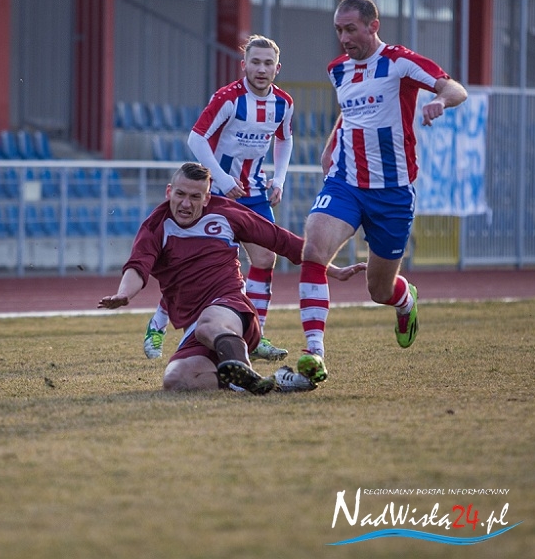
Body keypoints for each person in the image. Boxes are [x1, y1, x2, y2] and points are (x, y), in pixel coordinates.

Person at [298, 0, 468, 367]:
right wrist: (330, 147)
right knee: (314, 250)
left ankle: (405, 300)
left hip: (392, 192)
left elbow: (455, 88)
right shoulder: (337, 70)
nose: (344, 38)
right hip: (345, 183)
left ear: (373, 26)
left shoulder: (399, 62)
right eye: (339, 30)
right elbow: (350, 112)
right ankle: (314, 351)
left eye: (351, 29)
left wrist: (440, 102)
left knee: (378, 290)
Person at [101, 162, 365, 395]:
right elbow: (138, 266)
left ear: (207, 198)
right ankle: (272, 382)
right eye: (180, 194)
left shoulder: (226, 213)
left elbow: (282, 240)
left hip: (232, 310)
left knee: (208, 324)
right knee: (176, 379)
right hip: (195, 328)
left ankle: (243, 369)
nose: (186, 204)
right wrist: (124, 294)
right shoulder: (156, 226)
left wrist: (330, 269)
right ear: (169, 191)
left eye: (195, 197)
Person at [143, 34, 296, 364]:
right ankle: (157, 324)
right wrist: (223, 180)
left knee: (265, 259)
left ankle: (255, 335)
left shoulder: (283, 103)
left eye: (268, 63)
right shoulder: (228, 98)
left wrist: (280, 178)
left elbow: (285, 139)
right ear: (244, 65)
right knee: (197, 267)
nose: (261, 69)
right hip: (216, 193)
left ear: (277, 68)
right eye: (255, 62)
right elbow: (196, 138)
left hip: (254, 193)